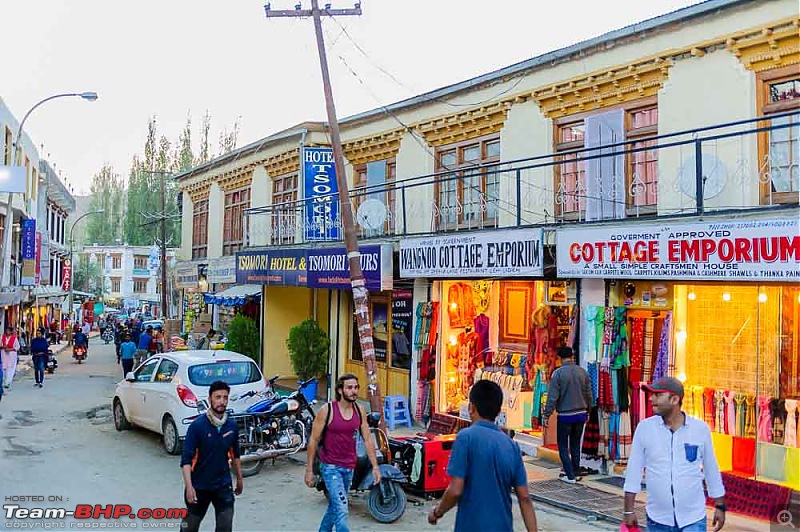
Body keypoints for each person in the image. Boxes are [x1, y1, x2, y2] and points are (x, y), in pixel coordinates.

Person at [427, 379, 538, 532]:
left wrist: (437, 512)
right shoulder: (511, 446)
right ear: (498, 411)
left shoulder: (465, 438)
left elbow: (455, 490)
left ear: (471, 407)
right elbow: (524, 497)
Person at [623, 377, 726, 532]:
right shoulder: (645, 429)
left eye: (657, 395)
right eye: (651, 395)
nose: (651, 399)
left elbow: (711, 469)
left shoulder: (700, 429)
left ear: (674, 399)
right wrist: (628, 510)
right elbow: (633, 471)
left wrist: (720, 505)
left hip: (693, 519)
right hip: (658, 519)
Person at [304, 373, 382, 532]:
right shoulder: (328, 410)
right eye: (349, 388)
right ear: (340, 390)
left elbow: (367, 439)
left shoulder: (359, 411)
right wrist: (309, 470)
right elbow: (313, 440)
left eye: (356, 387)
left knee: (335, 506)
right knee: (342, 509)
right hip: (330, 467)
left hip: (349, 467)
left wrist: (375, 467)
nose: (354, 391)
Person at [180, 380, 243, 532]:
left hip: (223, 486)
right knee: (189, 527)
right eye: (218, 397)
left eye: (225, 397)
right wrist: (189, 487)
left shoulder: (232, 426)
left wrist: (240, 479)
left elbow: (235, 455)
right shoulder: (197, 426)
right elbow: (186, 461)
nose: (222, 401)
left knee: (225, 526)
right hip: (199, 487)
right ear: (210, 400)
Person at [541, 346, 594, 484]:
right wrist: (589, 410)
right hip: (581, 414)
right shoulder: (583, 372)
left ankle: (570, 475)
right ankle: (575, 471)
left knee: (563, 446)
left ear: (560, 358)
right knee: (576, 444)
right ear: (572, 356)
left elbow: (552, 397)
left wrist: (546, 415)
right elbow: (589, 394)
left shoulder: (558, 374)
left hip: (565, 415)